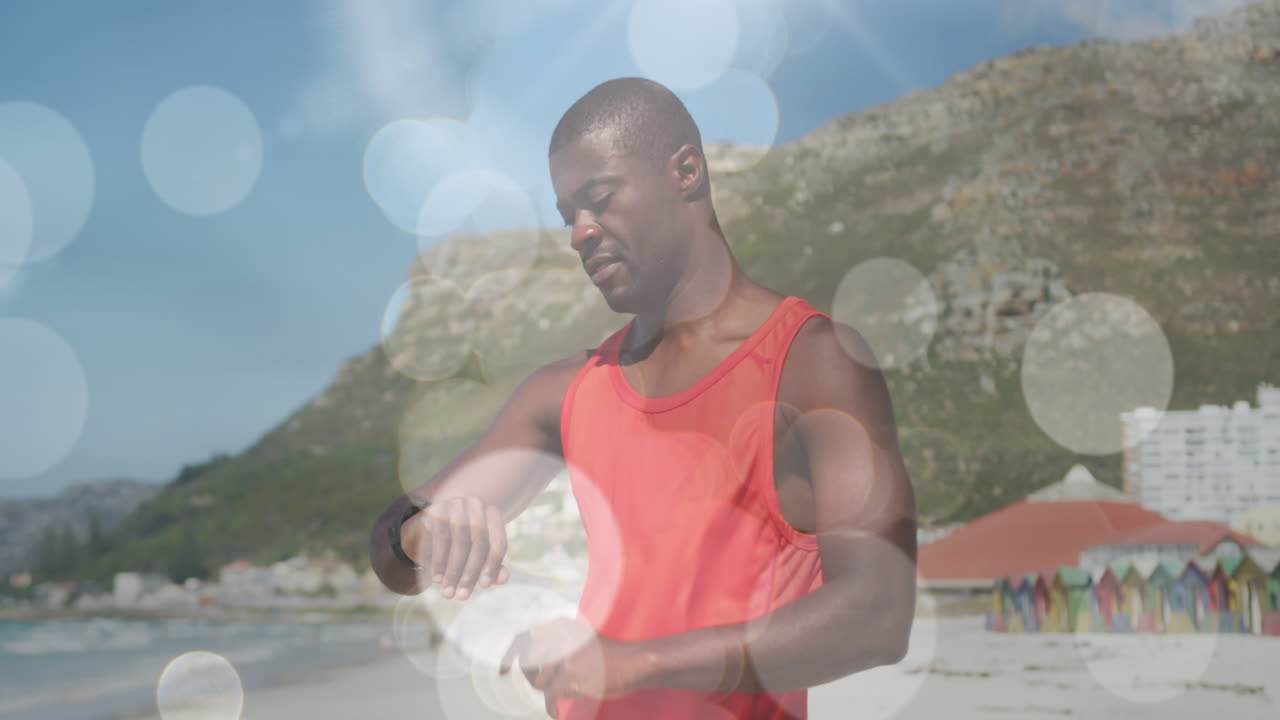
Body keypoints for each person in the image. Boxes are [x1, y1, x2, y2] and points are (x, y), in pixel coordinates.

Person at [370, 76, 917, 719]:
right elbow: (393, 555)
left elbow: (878, 615)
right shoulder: (565, 390)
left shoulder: (812, 361)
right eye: (567, 214)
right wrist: (426, 533)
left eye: (598, 199)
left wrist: (634, 661)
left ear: (686, 172)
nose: (579, 233)